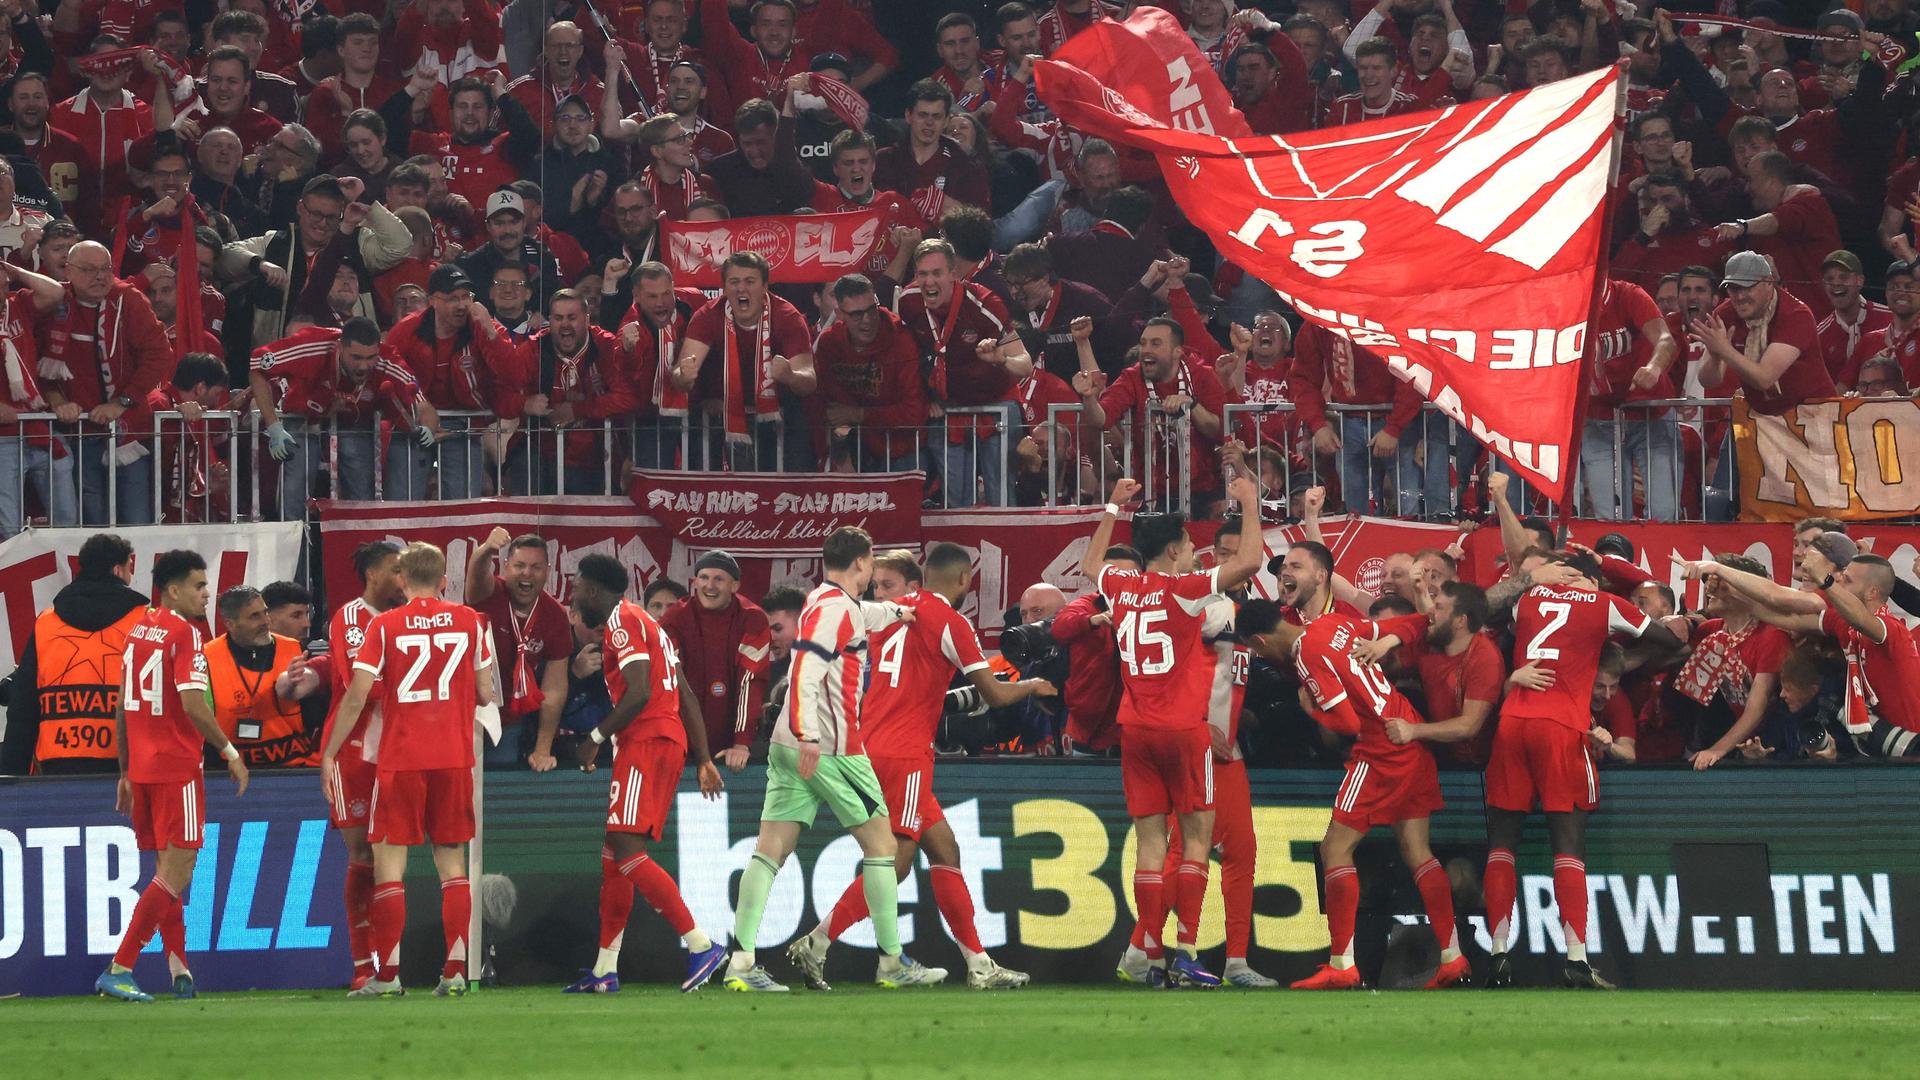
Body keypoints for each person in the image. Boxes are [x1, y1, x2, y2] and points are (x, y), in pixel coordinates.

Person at [789, 545, 1054, 989]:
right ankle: (818, 942)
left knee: (944, 850)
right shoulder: (951, 621)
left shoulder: (887, 612)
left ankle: (978, 965)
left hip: (868, 743)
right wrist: (1031, 685)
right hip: (905, 753)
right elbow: (993, 694)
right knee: (894, 860)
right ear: (964, 581)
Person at [721, 526, 945, 992]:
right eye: (870, 568)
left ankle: (740, 963)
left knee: (770, 851)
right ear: (862, 563)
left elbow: (867, 613)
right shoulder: (836, 611)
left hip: (789, 745)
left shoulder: (824, 601)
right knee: (883, 849)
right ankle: (891, 963)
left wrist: (901, 611)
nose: (870, 576)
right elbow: (804, 669)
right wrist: (809, 734)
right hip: (830, 747)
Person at [1081, 475, 1263, 987]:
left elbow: (1092, 566)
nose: (1192, 554)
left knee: (1151, 848)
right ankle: (1185, 949)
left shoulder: (1120, 586)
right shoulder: (1184, 592)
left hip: (1134, 730)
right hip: (1184, 731)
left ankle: (1152, 958)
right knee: (1198, 840)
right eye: (1186, 546)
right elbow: (1248, 563)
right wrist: (1249, 503)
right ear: (1174, 550)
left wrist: (1112, 507)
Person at [1239, 588, 1469, 991]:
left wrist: (1312, 710)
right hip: (1410, 739)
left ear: (1259, 642)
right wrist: (1388, 640)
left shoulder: (1306, 655)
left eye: (1256, 651)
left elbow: (1346, 724)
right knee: (1418, 851)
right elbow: (1412, 622)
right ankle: (1452, 957)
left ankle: (1342, 964)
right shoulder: (1331, 624)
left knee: (1335, 849)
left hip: (1379, 754)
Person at [1482, 551, 1680, 990]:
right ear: (1587, 579)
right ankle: (1575, 957)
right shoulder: (1604, 604)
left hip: (1513, 721)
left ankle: (1497, 951)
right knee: (1568, 845)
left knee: (1502, 843)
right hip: (1563, 727)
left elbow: (1479, 609)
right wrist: (1625, 654)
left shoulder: (1529, 596)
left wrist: (1529, 579)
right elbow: (1669, 641)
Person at [322, 541, 497, 998]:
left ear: (402, 579)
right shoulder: (472, 623)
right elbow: (485, 693)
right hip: (454, 757)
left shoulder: (384, 625)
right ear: (444, 580)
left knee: (389, 867)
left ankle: (388, 977)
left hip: (401, 759)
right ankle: (455, 971)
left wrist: (328, 754)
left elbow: (357, 695)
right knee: (452, 866)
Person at [563, 553, 728, 992]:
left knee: (629, 851)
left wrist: (593, 738)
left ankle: (700, 945)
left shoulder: (623, 621)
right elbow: (686, 693)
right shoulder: (648, 623)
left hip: (646, 742)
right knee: (614, 855)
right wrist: (704, 757)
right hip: (661, 740)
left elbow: (639, 693)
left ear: (594, 589)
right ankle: (604, 970)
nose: (575, 596)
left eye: (578, 588)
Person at [93, 550, 248, 1002]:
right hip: (177, 768)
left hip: (142, 768)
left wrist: (124, 771)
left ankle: (179, 967)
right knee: (175, 873)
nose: (207, 593)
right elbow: (193, 703)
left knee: (168, 872)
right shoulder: (184, 634)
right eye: (199, 585)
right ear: (174, 590)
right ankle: (120, 967)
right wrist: (229, 750)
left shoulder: (139, 629)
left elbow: (122, 703)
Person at [1678, 551, 1920, 758]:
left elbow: (1861, 618)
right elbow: (1779, 608)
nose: (1839, 582)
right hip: (1876, 745)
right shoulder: (1843, 623)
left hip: (1910, 747)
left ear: (1871, 593)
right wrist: (1728, 589)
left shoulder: (1891, 629)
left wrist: (1825, 581)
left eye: (1846, 580)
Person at [320, 540, 406, 991]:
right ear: (372, 574)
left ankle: (386, 962)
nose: (403, 578)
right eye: (396, 570)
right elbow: (364, 685)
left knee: (389, 856)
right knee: (363, 854)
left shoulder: (405, 618)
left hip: (397, 752)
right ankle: (362, 966)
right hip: (353, 750)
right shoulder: (352, 619)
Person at [896, 238, 1029, 506]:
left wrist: (1001, 359)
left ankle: (1004, 545)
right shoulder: (908, 303)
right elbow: (909, 360)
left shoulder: (984, 304)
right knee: (955, 498)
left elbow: (1024, 363)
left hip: (996, 404)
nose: (929, 282)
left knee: (999, 495)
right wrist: (928, 397)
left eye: (937, 273)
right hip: (949, 407)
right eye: (922, 274)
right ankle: (958, 547)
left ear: (954, 274)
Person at [1, 534, 149, 775]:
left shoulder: (46, 623)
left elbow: (22, 707)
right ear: (118, 570)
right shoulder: (145, 621)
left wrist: (10, 775)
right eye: (129, 568)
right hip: (126, 761)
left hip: (58, 761)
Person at [251, 317, 425, 520]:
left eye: (371, 358)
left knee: (362, 496)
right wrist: (274, 427)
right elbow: (257, 365)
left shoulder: (388, 359)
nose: (364, 366)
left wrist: (427, 428)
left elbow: (423, 403)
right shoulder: (311, 346)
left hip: (353, 423)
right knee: (294, 490)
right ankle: (297, 550)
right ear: (340, 347)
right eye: (356, 357)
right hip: (303, 420)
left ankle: (361, 548)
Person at [675, 251, 817, 470]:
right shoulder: (707, 316)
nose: (741, 288)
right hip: (719, 418)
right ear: (724, 288)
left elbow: (809, 381)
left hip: (779, 418)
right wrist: (683, 376)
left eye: (750, 281)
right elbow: (680, 376)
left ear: (764, 287)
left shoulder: (788, 317)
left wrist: (791, 376)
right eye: (734, 282)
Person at [465, 529, 572, 769]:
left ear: (547, 571)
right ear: (505, 567)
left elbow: (554, 688)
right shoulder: (489, 593)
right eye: (519, 565)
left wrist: (542, 749)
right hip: (467, 715)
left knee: (497, 787)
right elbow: (476, 576)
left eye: (536, 567)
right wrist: (485, 550)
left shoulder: (555, 616)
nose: (527, 573)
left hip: (508, 722)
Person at [659, 551, 772, 769]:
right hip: (681, 740)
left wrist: (741, 742)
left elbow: (750, 681)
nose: (709, 586)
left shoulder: (752, 618)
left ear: (735, 585)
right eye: (703, 578)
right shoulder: (675, 618)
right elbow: (670, 684)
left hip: (731, 743)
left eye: (719, 579)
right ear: (694, 582)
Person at [205, 585, 321, 769]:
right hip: (227, 773)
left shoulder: (297, 651)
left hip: (294, 770)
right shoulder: (206, 658)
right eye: (254, 616)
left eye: (265, 612)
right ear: (230, 624)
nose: (265, 621)